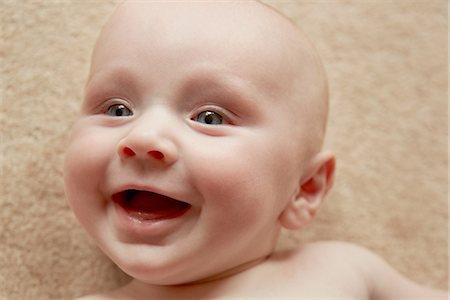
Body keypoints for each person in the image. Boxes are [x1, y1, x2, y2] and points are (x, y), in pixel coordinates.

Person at [64, 1, 447, 299]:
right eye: (117, 109)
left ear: (304, 189)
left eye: (210, 118)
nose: (143, 138)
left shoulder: (341, 269)